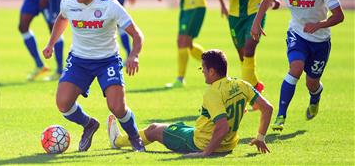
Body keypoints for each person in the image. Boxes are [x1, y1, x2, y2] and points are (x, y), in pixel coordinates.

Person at [42, 0, 145, 152]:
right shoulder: (68, 2)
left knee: (117, 108)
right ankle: (89, 124)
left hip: (107, 61)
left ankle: (134, 136)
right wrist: (51, 43)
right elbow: (63, 18)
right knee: (63, 104)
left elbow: (137, 34)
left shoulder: (110, 5)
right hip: (79, 61)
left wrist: (134, 55)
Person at [107, 49, 273, 156]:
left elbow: (222, 127)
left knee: (153, 129)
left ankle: (118, 142)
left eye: (203, 69)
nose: (203, 73)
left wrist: (205, 153)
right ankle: (123, 139)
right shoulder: (242, 84)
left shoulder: (213, 92)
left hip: (200, 143)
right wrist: (260, 137)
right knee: (179, 125)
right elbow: (267, 108)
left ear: (213, 71)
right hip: (227, 144)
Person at [251, 0, 344, 131]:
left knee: (312, 83)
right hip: (297, 35)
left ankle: (315, 96)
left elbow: (339, 16)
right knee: (296, 68)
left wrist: (319, 25)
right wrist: (256, 23)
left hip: (320, 41)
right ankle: (281, 115)